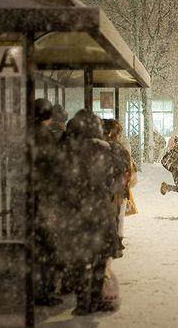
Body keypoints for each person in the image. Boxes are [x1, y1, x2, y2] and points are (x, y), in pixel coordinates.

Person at [55, 110, 120, 315]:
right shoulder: (106, 148)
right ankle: (95, 297)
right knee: (100, 258)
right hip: (100, 210)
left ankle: (83, 302)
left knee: (81, 258)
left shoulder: (69, 149)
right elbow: (113, 180)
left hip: (76, 211)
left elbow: (61, 180)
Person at [33, 98, 62, 306]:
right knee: (47, 246)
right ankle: (43, 291)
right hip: (43, 198)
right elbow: (54, 168)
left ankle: (34, 288)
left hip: (27, 197)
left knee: (35, 246)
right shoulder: (45, 137)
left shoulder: (26, 133)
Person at [103, 119, 132, 258]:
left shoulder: (98, 148)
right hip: (114, 190)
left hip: (100, 189)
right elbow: (127, 169)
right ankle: (115, 244)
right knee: (116, 217)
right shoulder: (118, 149)